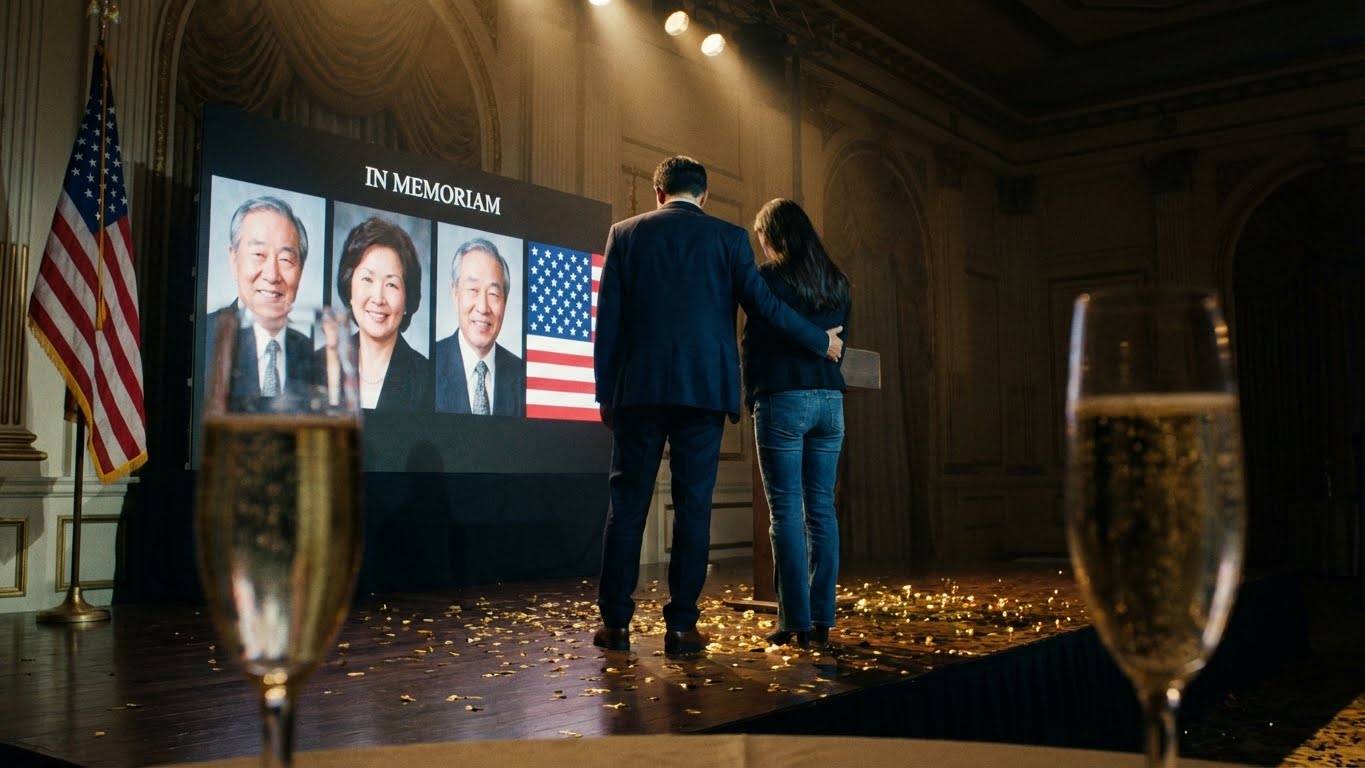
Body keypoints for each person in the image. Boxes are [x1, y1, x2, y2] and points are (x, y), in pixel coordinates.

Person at [592, 156, 844, 660]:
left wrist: (604, 394)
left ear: (659, 193)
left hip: (638, 394)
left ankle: (616, 625)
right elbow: (766, 309)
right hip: (704, 395)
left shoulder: (624, 234)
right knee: (694, 510)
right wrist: (820, 341)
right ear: (703, 196)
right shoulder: (728, 239)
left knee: (627, 508)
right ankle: (682, 628)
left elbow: (608, 326)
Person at [742, 198, 851, 650]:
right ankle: (823, 619)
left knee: (786, 512)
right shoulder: (838, 282)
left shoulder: (768, 279)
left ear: (774, 236)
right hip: (830, 403)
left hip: (784, 399)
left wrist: (752, 397)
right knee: (821, 512)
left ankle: (795, 622)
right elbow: (841, 344)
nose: (761, 245)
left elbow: (754, 342)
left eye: (762, 236)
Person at [207, 195, 314, 399]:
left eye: (286, 259)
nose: (272, 275)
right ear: (233, 259)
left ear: (300, 271)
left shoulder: (312, 354)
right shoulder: (204, 335)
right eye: (258, 254)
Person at [333, 216, 431, 411]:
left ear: (407, 299)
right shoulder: (323, 364)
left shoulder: (426, 379)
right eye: (367, 279)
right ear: (349, 287)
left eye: (391, 284)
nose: (378, 298)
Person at [433, 237, 526, 416]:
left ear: (505, 301)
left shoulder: (522, 374)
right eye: (473, 290)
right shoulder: (429, 365)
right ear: (455, 294)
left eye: (493, 294)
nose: (483, 307)